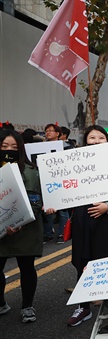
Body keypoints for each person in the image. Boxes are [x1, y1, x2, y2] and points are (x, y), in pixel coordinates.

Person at [68, 126, 108, 326]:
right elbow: (65, 191)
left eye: (101, 138)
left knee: (107, 264)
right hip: (83, 222)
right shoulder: (74, 167)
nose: (96, 141)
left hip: (106, 223)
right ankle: (83, 307)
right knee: (82, 262)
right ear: (85, 142)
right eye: (92, 138)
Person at [0, 130, 47, 323]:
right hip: (1, 231)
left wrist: (17, 222)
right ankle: (1, 302)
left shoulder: (31, 171)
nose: (8, 150)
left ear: (21, 149)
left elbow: (35, 200)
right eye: (4, 147)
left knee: (26, 268)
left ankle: (27, 306)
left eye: (13, 147)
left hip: (26, 229)